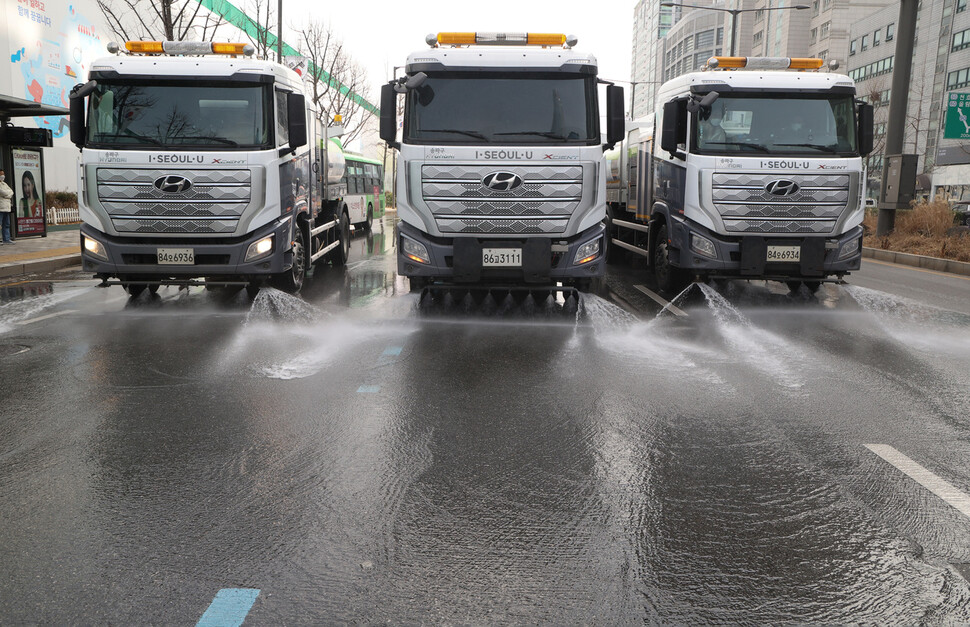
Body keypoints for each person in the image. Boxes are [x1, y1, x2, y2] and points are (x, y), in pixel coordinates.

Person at [0, 169, 13, 244]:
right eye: (1, 174)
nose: (2, 176)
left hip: (7, 208)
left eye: (3, 174)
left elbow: (11, 192)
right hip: (1, 207)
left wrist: (6, 195)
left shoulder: (4, 184)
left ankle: (6, 239)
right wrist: (7, 194)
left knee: (6, 224)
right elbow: (2, 192)